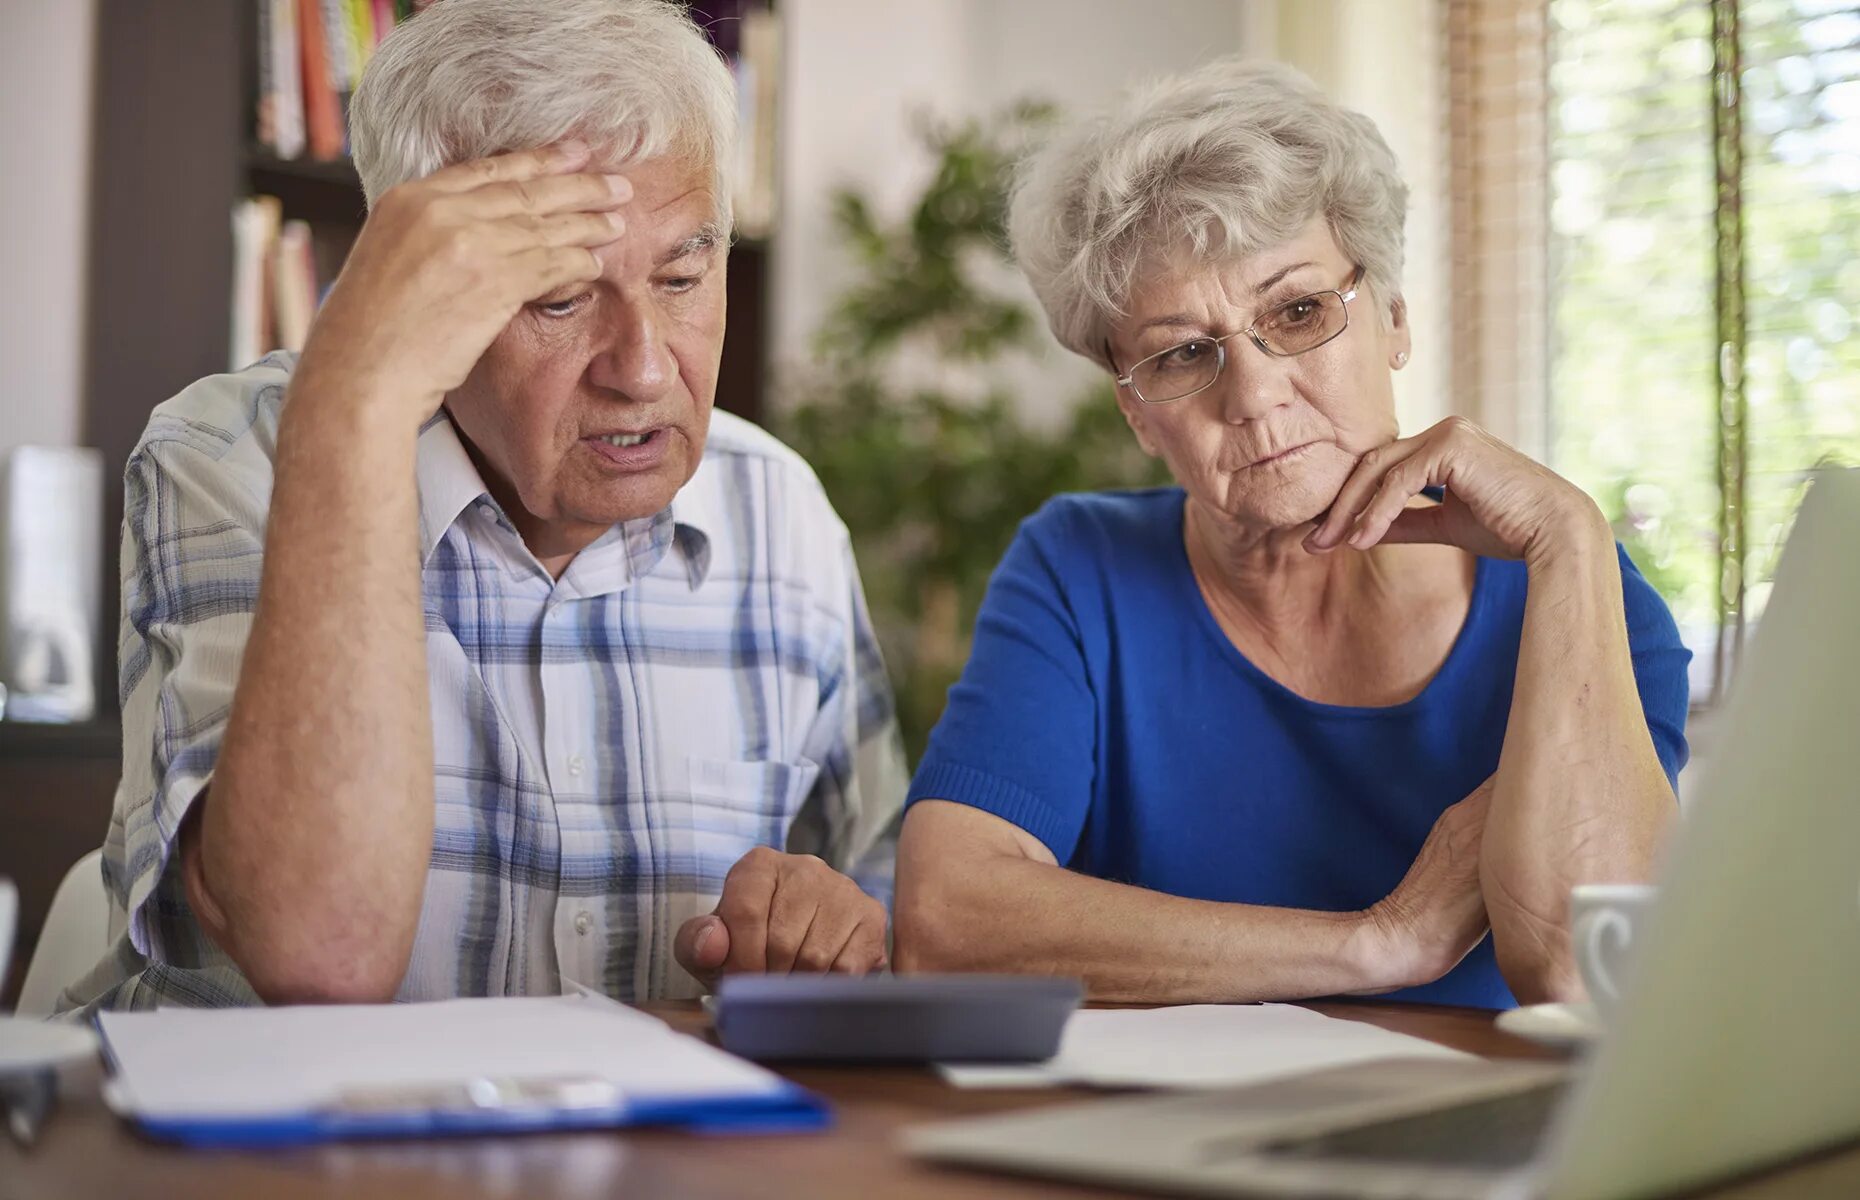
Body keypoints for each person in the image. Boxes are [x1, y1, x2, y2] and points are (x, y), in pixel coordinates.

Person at [61, 0, 904, 1014]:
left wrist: (833, 926)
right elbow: (317, 955)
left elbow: (887, 907)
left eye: (683, 275)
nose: (643, 369)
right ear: (413, 278)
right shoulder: (233, 458)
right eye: (556, 297)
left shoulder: (780, 510)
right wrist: (357, 396)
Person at [893, 59, 1689, 1009]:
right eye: (1184, 354)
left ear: (1392, 322)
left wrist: (1568, 531)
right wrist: (1377, 945)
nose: (1256, 394)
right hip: (1160, 1145)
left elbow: (1575, 972)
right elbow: (948, 925)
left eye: (1300, 311)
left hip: (1482, 1147)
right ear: (1140, 415)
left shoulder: (1584, 592)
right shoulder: (1080, 570)